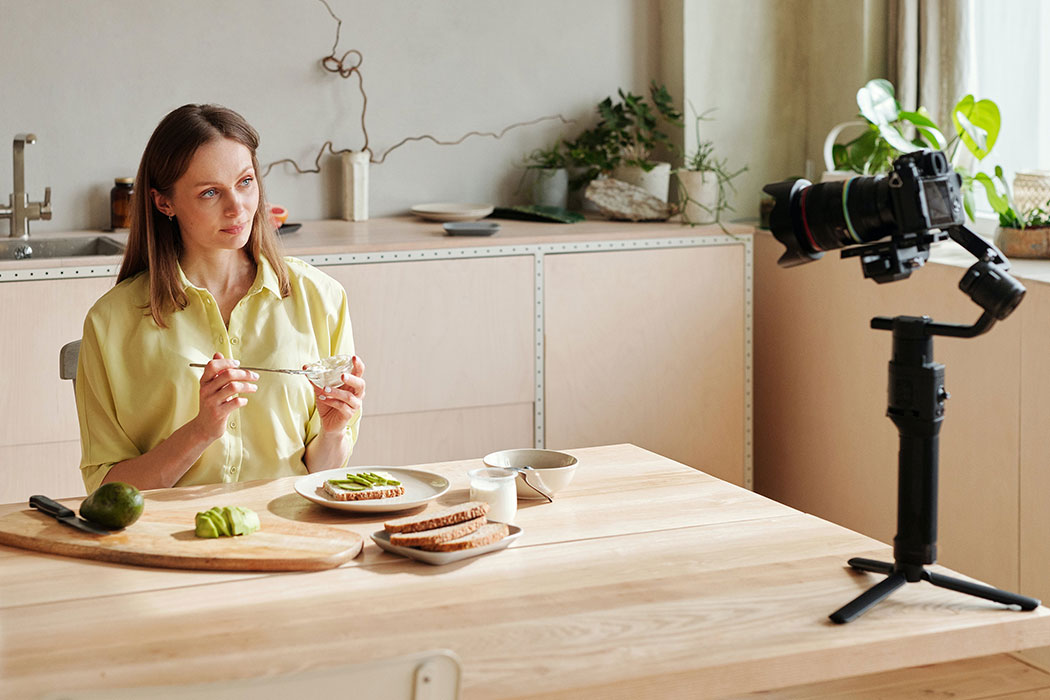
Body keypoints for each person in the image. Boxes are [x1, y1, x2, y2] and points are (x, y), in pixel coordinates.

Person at [75, 104, 364, 492]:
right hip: (169, 541)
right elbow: (105, 490)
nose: (237, 207)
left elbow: (321, 472)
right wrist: (200, 431)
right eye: (210, 192)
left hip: (289, 532)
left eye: (245, 182)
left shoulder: (321, 297)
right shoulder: (111, 321)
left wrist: (332, 432)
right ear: (164, 203)